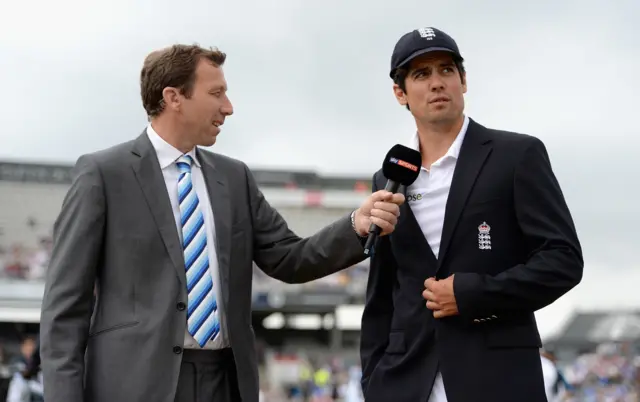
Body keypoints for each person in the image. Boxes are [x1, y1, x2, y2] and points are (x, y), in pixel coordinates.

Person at [39, 44, 404, 402]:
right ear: (173, 97)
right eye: (216, 93)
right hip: (133, 385)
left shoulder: (234, 178)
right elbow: (64, 309)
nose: (228, 108)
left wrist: (357, 223)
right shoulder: (102, 174)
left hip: (226, 382)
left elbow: (289, 258)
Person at [359, 27, 583, 402]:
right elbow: (381, 296)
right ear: (400, 93)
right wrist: (373, 381)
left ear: (463, 80)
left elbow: (563, 261)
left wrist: (473, 294)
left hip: (499, 378)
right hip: (405, 382)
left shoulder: (517, 156)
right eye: (421, 74)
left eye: (446, 70)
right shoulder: (388, 178)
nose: (436, 83)